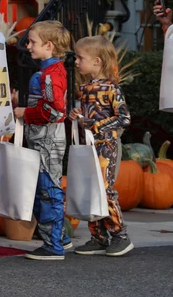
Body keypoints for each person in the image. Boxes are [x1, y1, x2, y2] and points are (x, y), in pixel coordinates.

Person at [69, 36, 133, 257]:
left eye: (80, 58)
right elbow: (87, 116)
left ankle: (120, 236)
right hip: (89, 146)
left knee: (105, 190)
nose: (76, 62)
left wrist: (95, 124)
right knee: (90, 189)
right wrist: (77, 114)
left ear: (97, 61)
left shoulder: (112, 89)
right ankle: (98, 237)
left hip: (105, 146)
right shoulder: (86, 88)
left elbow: (124, 118)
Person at [14, 21, 71, 260]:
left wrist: (24, 113)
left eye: (33, 42)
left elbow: (56, 112)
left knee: (48, 189)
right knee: (43, 188)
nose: (28, 46)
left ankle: (53, 245)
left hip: (46, 139)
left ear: (49, 46)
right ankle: (60, 238)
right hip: (43, 138)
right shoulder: (51, 72)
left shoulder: (48, 75)